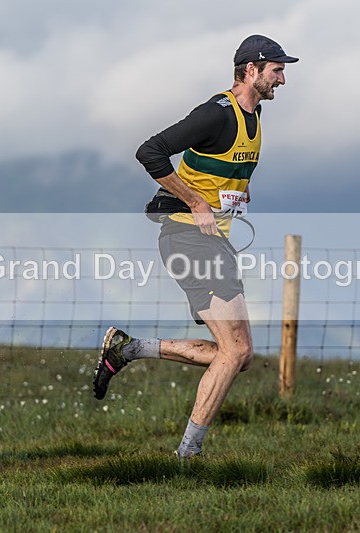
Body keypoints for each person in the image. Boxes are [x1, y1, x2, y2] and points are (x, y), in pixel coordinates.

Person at [93, 34, 298, 458]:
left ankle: (128, 349)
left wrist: (233, 197)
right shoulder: (216, 114)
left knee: (237, 356)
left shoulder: (254, 117)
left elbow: (222, 174)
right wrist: (194, 201)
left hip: (212, 241)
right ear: (251, 70)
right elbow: (150, 152)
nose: (282, 79)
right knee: (237, 349)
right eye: (277, 70)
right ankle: (187, 456)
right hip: (187, 237)